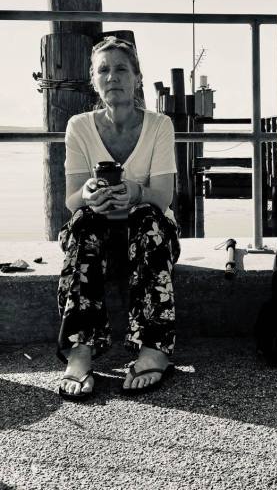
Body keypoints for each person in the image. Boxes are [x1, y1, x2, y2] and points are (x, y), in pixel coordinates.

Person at [57, 36, 180, 400]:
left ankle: (154, 349)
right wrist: (89, 195)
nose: (113, 77)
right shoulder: (79, 126)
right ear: (93, 80)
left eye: (122, 69)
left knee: (146, 216)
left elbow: (163, 197)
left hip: (150, 234)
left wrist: (135, 191)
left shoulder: (159, 125)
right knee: (83, 222)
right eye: (104, 70)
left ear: (137, 77)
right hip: (99, 233)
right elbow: (72, 200)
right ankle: (80, 351)